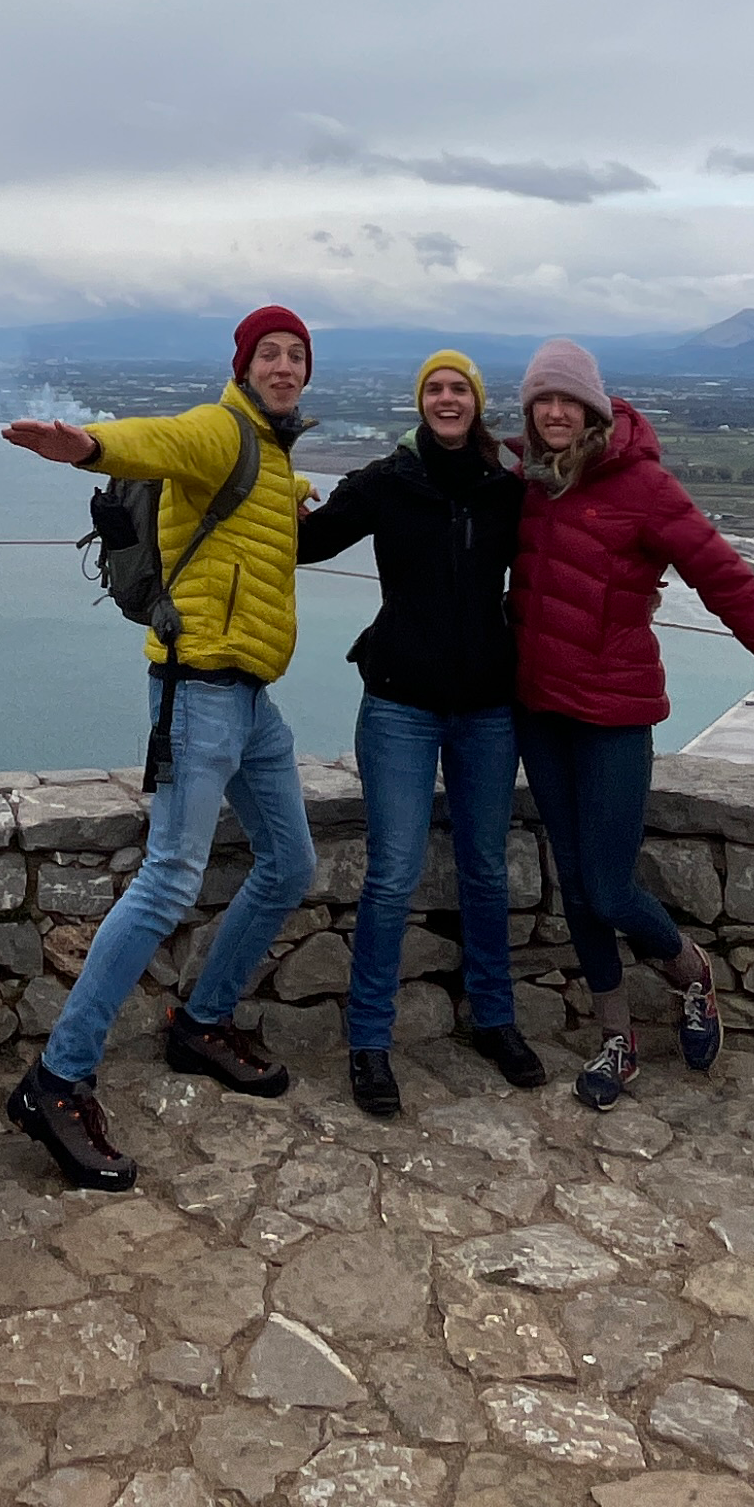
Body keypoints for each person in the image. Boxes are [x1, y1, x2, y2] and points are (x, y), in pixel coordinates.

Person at [0, 304, 323, 1190]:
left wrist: (295, 495)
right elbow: (160, 445)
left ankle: (201, 1020)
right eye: (270, 354)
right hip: (200, 691)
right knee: (170, 877)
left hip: (252, 700)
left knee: (290, 864)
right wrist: (88, 447)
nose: (285, 367)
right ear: (244, 366)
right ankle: (57, 1081)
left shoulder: (272, 451)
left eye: (297, 356)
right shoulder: (221, 428)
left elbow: (252, 521)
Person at [511, 337, 754, 1108]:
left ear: (593, 408)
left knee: (610, 889)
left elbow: (728, 584)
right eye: (541, 399)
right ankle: (617, 1041)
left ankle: (692, 975)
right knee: (576, 887)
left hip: (613, 715)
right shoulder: (526, 481)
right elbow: (439, 469)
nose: (553, 412)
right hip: (539, 711)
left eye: (567, 400)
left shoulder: (644, 487)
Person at [298, 348, 543, 1117]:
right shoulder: (385, 482)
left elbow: (563, 557)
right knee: (393, 873)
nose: (446, 399)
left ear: (475, 402)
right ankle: (369, 1041)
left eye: (458, 389)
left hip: (486, 707)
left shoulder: (507, 490)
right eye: (434, 389)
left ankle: (495, 1021)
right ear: (421, 402)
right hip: (400, 702)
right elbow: (308, 544)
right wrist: (273, 488)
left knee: (486, 871)